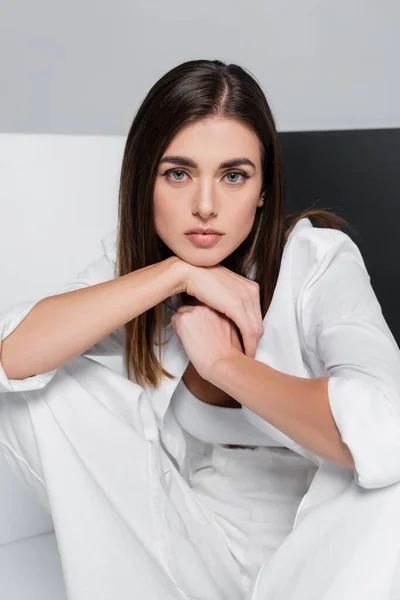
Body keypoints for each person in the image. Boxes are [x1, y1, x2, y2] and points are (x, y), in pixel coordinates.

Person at [1, 59, 400, 600]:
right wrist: (176, 273)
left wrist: (227, 367)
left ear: (263, 189)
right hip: (194, 554)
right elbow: (12, 355)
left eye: (233, 176)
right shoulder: (138, 275)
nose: (205, 207)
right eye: (178, 173)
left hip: (327, 555)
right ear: (147, 181)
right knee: (33, 394)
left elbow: (387, 430)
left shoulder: (315, 262)